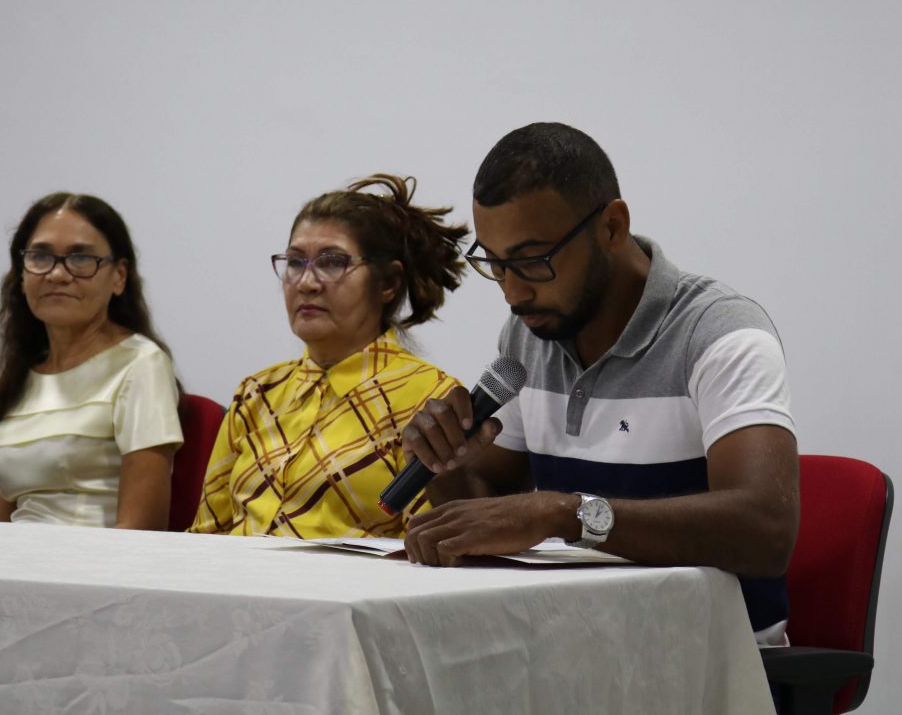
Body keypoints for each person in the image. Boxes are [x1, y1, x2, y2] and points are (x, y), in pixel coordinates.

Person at [402, 123, 800, 647]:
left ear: (612, 226)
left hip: (710, 664)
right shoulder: (528, 336)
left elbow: (764, 531)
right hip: (568, 651)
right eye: (495, 266)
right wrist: (447, 466)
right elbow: (489, 502)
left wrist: (564, 514)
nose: (513, 293)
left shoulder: (719, 334)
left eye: (533, 261)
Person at [189, 174, 467, 538]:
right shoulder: (256, 393)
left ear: (388, 283)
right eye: (294, 262)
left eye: (332, 262)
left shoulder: (429, 398)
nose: (307, 282)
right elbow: (203, 539)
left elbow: (427, 547)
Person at [0, 193, 184, 529]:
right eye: (41, 256)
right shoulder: (17, 378)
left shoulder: (141, 364)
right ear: (21, 274)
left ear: (119, 277)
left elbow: (140, 534)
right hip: (10, 573)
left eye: (81, 258)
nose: (57, 274)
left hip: (92, 574)